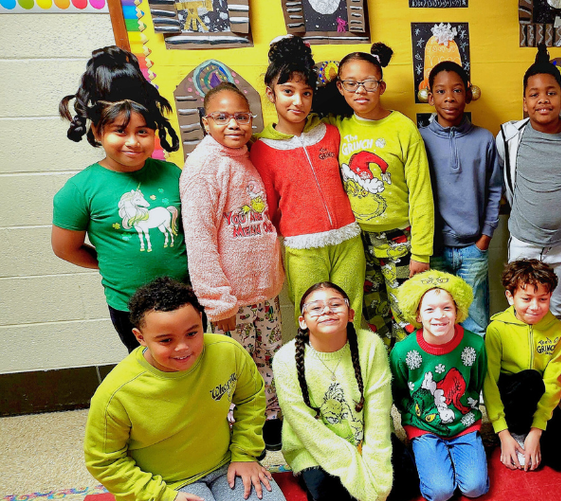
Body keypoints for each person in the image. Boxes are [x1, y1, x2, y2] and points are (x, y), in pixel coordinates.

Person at [84, 277, 289, 501]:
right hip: (163, 484)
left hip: (222, 464)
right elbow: (102, 460)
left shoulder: (226, 351)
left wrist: (245, 453)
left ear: (202, 322)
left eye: (193, 333)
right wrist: (160, 499)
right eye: (165, 340)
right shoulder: (115, 392)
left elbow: (253, 397)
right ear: (140, 338)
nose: (183, 347)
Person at [52, 46, 188, 351]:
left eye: (142, 131)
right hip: (129, 308)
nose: (133, 142)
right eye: (120, 131)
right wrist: (112, 263)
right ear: (98, 132)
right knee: (149, 373)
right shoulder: (80, 189)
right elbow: (65, 248)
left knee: (192, 364)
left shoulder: (173, 174)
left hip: (186, 301)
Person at [180, 82, 287, 450]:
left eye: (241, 116)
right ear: (206, 121)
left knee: (269, 355)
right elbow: (198, 238)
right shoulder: (203, 167)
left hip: (264, 290)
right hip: (230, 298)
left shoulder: (248, 157)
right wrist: (216, 300)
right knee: (234, 365)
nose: (233, 124)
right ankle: (239, 429)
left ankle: (270, 418)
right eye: (222, 117)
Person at [273, 282, 418, 501]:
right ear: (302, 320)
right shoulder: (285, 359)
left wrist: (374, 463)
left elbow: (379, 411)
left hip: (366, 435)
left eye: (335, 304)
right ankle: (313, 478)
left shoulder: (371, 344)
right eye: (316, 308)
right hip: (316, 445)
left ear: (351, 314)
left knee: (408, 487)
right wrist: (354, 469)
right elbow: (304, 426)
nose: (327, 311)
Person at [323, 43, 435, 346]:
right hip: (355, 242)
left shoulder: (402, 127)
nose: (361, 90)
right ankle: (382, 382)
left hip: (401, 240)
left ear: (381, 85)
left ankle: (407, 379)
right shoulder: (335, 124)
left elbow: (421, 192)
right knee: (371, 318)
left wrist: (420, 252)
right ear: (340, 87)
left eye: (369, 82)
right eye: (351, 83)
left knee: (407, 317)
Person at [250, 35, 366, 327]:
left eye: (306, 93)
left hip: (348, 242)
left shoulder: (330, 132)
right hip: (302, 249)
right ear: (270, 93)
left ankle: (353, 371)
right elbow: (269, 209)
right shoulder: (262, 149)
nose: (297, 101)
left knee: (349, 316)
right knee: (314, 321)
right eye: (287, 91)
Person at [497, 43, 561, 321]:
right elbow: (503, 175)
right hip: (523, 241)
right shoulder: (509, 137)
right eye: (535, 94)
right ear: (525, 102)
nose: (543, 100)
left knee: (560, 309)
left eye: (551, 93)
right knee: (522, 310)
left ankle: (558, 364)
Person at [390, 270, 488, 501]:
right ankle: (428, 454)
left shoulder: (475, 345)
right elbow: (400, 393)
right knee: (440, 493)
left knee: (475, 488)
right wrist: (415, 419)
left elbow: (475, 383)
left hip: (464, 423)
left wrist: (463, 412)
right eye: (430, 309)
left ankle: (458, 451)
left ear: (457, 311)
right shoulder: (402, 352)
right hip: (423, 425)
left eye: (447, 308)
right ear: (418, 315)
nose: (439, 316)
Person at [419, 61, 502, 336]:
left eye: (456, 90)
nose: (449, 98)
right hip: (435, 250)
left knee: (476, 323)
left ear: (468, 94)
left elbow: (494, 189)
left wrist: (485, 237)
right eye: (441, 91)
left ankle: (476, 380)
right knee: (437, 324)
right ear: (430, 97)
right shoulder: (418, 139)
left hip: (473, 249)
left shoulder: (484, 139)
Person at [484, 259, 561, 472]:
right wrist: (502, 433)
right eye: (526, 298)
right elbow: (489, 381)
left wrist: (537, 430)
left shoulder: (558, 330)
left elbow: (553, 382)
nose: (535, 306)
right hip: (510, 399)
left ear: (550, 296)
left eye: (542, 299)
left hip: (538, 399)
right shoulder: (497, 329)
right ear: (510, 297)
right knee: (529, 379)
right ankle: (516, 433)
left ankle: (529, 433)